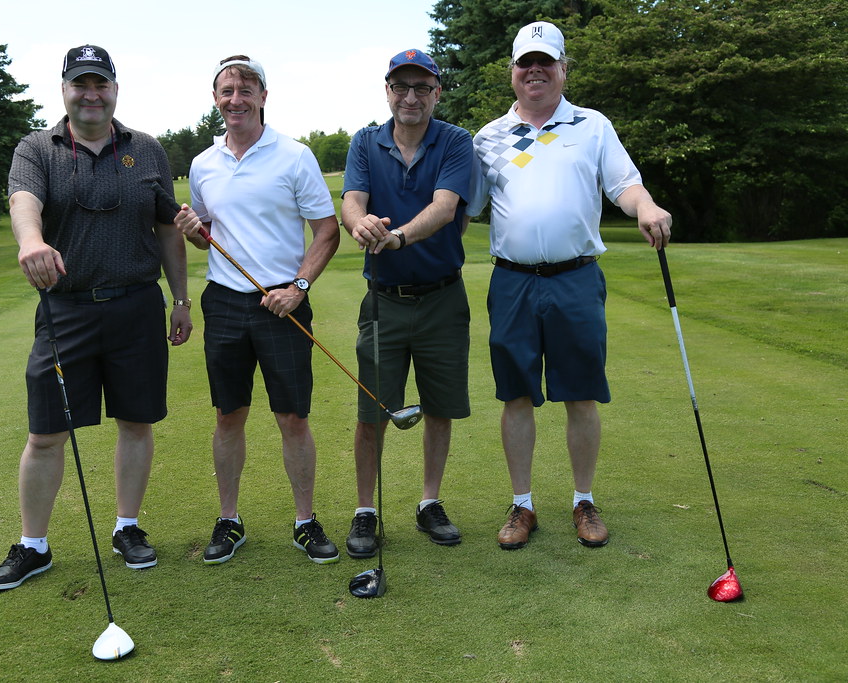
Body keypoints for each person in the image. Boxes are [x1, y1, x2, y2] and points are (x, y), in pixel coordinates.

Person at [0, 45, 192, 591]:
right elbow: (23, 201)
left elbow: (167, 226)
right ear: (64, 90)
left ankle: (127, 527)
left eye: (100, 84)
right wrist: (31, 242)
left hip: (137, 307)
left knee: (136, 423)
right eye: (81, 84)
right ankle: (34, 545)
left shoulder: (146, 149)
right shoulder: (37, 147)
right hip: (67, 308)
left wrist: (181, 299)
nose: (91, 94)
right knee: (46, 433)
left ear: (115, 90)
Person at [467, 22, 672, 550]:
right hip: (512, 281)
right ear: (513, 72)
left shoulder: (591, 125)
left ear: (563, 69)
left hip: (576, 278)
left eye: (545, 62)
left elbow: (625, 185)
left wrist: (646, 207)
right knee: (516, 394)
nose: (534, 71)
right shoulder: (488, 137)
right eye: (525, 63)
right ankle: (522, 504)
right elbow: (461, 207)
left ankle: (584, 500)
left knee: (580, 393)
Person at [173, 56, 342, 565]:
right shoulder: (203, 164)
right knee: (229, 415)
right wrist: (194, 233)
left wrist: (298, 287)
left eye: (246, 90)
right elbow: (208, 237)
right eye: (227, 91)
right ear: (216, 100)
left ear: (263, 97)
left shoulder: (294, 156)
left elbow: (327, 231)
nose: (236, 100)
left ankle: (305, 521)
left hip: (282, 302)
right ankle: (229, 519)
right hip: (225, 303)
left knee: (292, 417)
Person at [340, 49, 473, 558]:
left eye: (422, 88)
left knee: (439, 408)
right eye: (401, 86)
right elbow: (353, 201)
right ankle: (366, 510)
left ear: (437, 92)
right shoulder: (365, 141)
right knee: (372, 410)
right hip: (384, 300)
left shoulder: (455, 141)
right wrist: (361, 225)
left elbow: (445, 208)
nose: (410, 97)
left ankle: (429, 502)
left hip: (442, 297)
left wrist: (395, 237)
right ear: (388, 90)